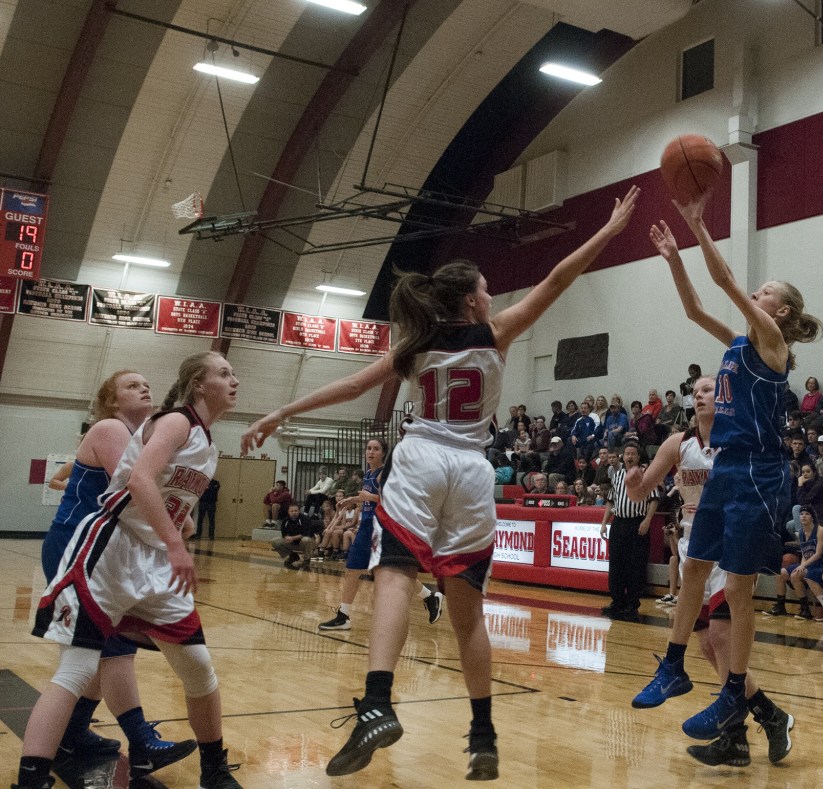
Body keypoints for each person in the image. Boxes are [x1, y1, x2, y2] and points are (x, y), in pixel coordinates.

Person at [240, 185, 638, 781]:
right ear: (473, 302)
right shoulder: (496, 332)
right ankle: (483, 734)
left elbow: (350, 388)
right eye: (484, 286)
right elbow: (557, 279)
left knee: (395, 574)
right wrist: (608, 231)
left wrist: (280, 413)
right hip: (473, 469)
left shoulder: (416, 345)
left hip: (423, 458)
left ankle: (377, 702)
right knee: (468, 609)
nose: (490, 292)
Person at [17, 352, 244, 789]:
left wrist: (174, 533)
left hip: (154, 559)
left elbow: (170, 501)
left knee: (197, 664)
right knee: (79, 668)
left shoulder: (207, 442)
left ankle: (213, 770)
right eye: (224, 373)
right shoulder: (176, 421)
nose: (234, 380)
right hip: (111, 547)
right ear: (199, 384)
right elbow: (139, 480)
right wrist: (177, 544)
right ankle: (32, 779)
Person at [648, 191, 821, 741]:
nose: (756, 290)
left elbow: (722, 284)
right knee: (695, 569)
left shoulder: (771, 343)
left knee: (740, 590)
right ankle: (674, 667)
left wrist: (700, 226)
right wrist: (676, 259)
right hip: (729, 466)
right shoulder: (740, 342)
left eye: (766, 290)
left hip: (759, 471)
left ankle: (732, 695)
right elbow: (698, 309)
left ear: (782, 311)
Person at [627, 376, 794, 766]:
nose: (701, 396)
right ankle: (750, 730)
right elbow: (640, 493)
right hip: (693, 544)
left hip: (731, 542)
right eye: (696, 392)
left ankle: (756, 723)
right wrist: (635, 485)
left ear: (724, 400)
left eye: (708, 390)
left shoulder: (738, 440)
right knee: (705, 643)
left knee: (720, 635)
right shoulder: (677, 443)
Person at [35, 370, 196, 777]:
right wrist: (177, 519)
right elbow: (139, 489)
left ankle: (72, 732)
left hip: (107, 549)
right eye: (131, 385)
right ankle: (141, 740)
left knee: (96, 649)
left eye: (146, 383)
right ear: (111, 401)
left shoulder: (143, 437)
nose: (145, 387)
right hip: (77, 543)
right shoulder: (110, 428)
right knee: (115, 646)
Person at [318, 438, 444, 632]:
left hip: (382, 526)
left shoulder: (385, 474)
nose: (371, 452)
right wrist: (352, 499)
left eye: (376, 449)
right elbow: (368, 499)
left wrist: (370, 498)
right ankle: (344, 615)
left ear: (383, 453)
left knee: (387, 572)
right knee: (355, 569)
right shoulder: (368, 473)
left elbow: (396, 500)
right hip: (368, 525)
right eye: (368, 448)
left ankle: (429, 596)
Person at [599, 441, 658, 621]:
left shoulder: (646, 475)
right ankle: (617, 601)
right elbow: (611, 501)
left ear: (638, 457)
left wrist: (648, 520)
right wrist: (603, 523)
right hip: (619, 523)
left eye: (633, 454)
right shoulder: (617, 476)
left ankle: (632, 604)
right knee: (616, 564)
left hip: (637, 524)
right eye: (627, 454)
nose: (630, 457)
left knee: (635, 566)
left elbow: (654, 499)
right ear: (622, 457)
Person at [766, 507, 823, 621]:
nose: (804, 516)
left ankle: (812, 609)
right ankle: (782, 606)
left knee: (795, 575)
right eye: (801, 514)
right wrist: (801, 565)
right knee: (780, 572)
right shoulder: (801, 533)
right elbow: (805, 554)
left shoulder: (820, 530)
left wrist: (803, 566)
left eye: (807, 514)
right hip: (807, 565)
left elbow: (818, 554)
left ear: (812, 517)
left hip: (819, 566)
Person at [271, 502, 318, 568]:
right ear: (288, 512)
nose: (294, 512)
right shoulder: (286, 520)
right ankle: (293, 556)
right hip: (292, 543)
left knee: (306, 540)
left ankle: (307, 560)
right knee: (275, 541)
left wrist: (292, 538)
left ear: (299, 511)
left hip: (305, 543)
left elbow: (305, 534)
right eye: (292, 511)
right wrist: (287, 537)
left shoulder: (305, 519)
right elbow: (284, 534)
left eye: (296, 511)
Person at [195, 475, 220, 540]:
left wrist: (208, 488)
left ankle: (211, 536)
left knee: (212, 520)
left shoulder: (216, 483)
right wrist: (209, 489)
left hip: (211, 503)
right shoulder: (202, 482)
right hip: (203, 502)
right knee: (200, 520)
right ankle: (198, 535)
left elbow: (214, 490)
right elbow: (200, 490)